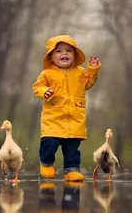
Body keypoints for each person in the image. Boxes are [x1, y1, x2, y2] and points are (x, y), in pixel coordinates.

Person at [32, 35, 101, 181]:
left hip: (74, 119)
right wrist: (45, 91)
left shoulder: (80, 72)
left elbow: (88, 84)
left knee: (72, 148)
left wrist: (93, 69)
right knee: (49, 144)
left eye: (69, 50)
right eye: (58, 51)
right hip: (53, 118)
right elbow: (37, 87)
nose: (64, 54)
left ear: (75, 55)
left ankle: (71, 170)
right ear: (50, 57)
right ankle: (46, 163)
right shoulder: (47, 73)